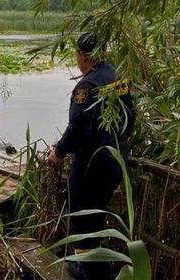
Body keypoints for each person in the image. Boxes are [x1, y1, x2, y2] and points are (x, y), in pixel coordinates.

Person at [47, 32, 135, 279]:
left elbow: (78, 127)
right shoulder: (119, 77)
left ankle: (92, 273)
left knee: (83, 223)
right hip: (115, 160)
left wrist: (58, 152)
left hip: (91, 167)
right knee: (95, 220)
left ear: (82, 56)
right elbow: (131, 117)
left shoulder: (87, 85)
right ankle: (88, 267)